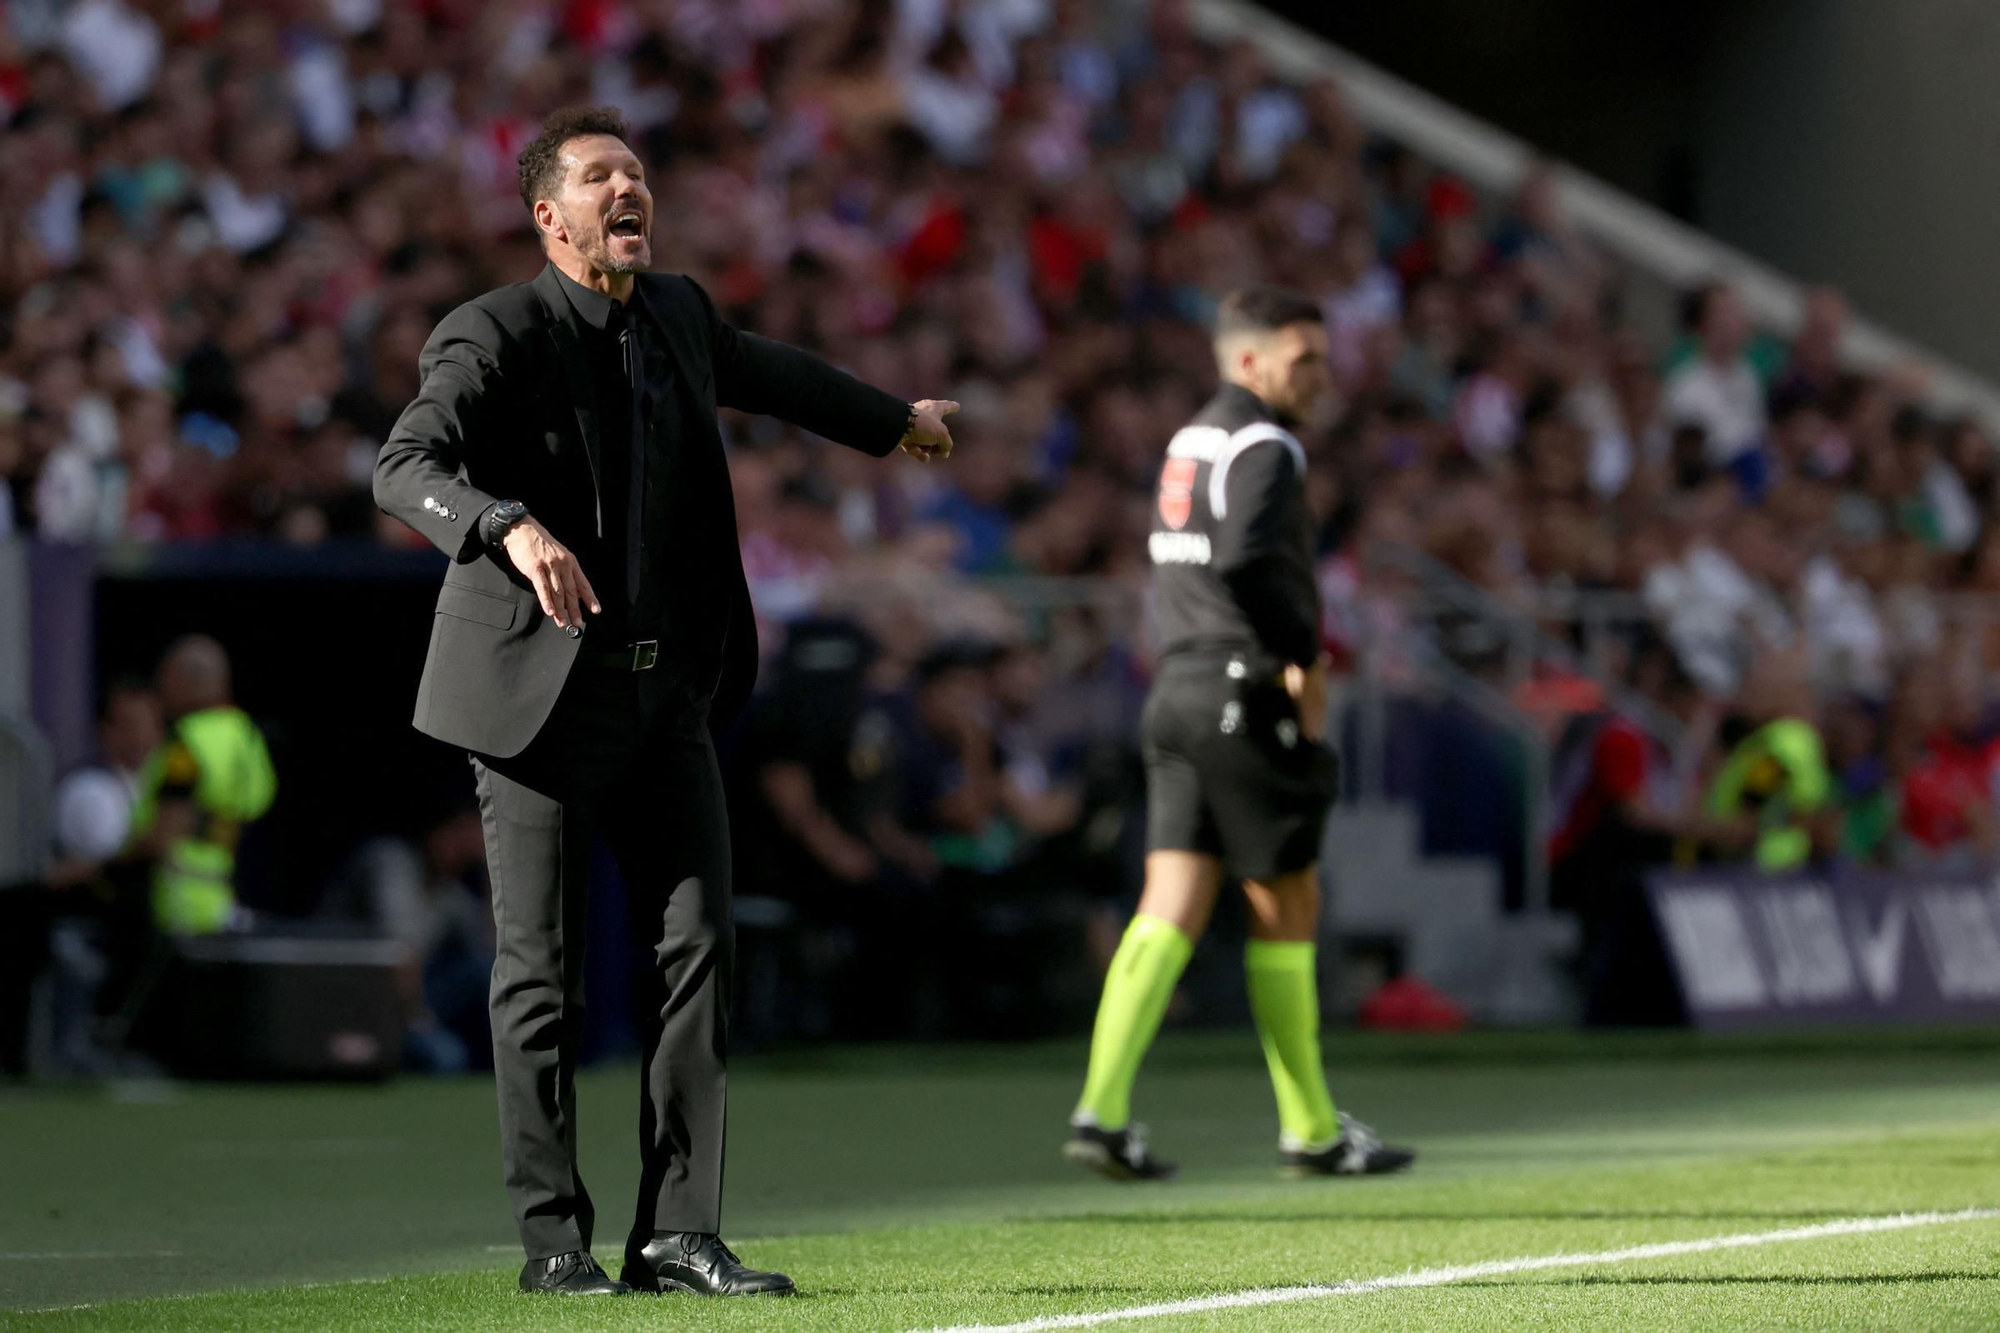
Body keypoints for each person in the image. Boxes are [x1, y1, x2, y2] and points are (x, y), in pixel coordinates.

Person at [371, 107, 957, 1299]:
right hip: (534, 702)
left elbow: (773, 375)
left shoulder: (678, 312)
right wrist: (505, 525)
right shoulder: (491, 331)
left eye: (635, 172)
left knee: (697, 950)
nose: (626, 188)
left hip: (664, 694)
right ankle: (552, 1243)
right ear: (549, 216)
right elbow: (404, 464)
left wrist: (894, 422)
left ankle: (678, 1232)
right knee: (542, 971)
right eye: (598, 177)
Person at [1065, 287, 1413, 1181]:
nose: (1323, 378)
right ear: (1251, 361)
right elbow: (1251, 557)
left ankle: (1102, 1110)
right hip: (1240, 686)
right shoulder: (1264, 444)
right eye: (1306, 361)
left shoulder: (1191, 439)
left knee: (1171, 900)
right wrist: (1302, 656)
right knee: (1287, 903)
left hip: (1177, 685)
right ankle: (1313, 1129)